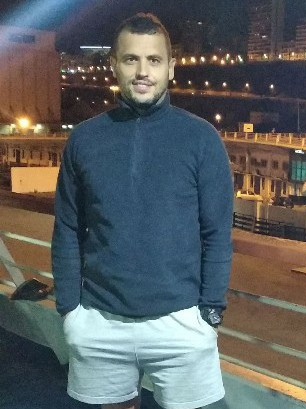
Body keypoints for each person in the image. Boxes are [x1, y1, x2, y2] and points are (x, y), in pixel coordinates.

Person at [51, 13, 233, 409]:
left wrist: (210, 313)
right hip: (100, 319)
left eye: (154, 60)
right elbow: (67, 227)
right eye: (131, 59)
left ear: (171, 67)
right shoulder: (84, 139)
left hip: (181, 321)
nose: (142, 71)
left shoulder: (201, 139)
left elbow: (217, 232)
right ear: (114, 64)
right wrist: (69, 311)